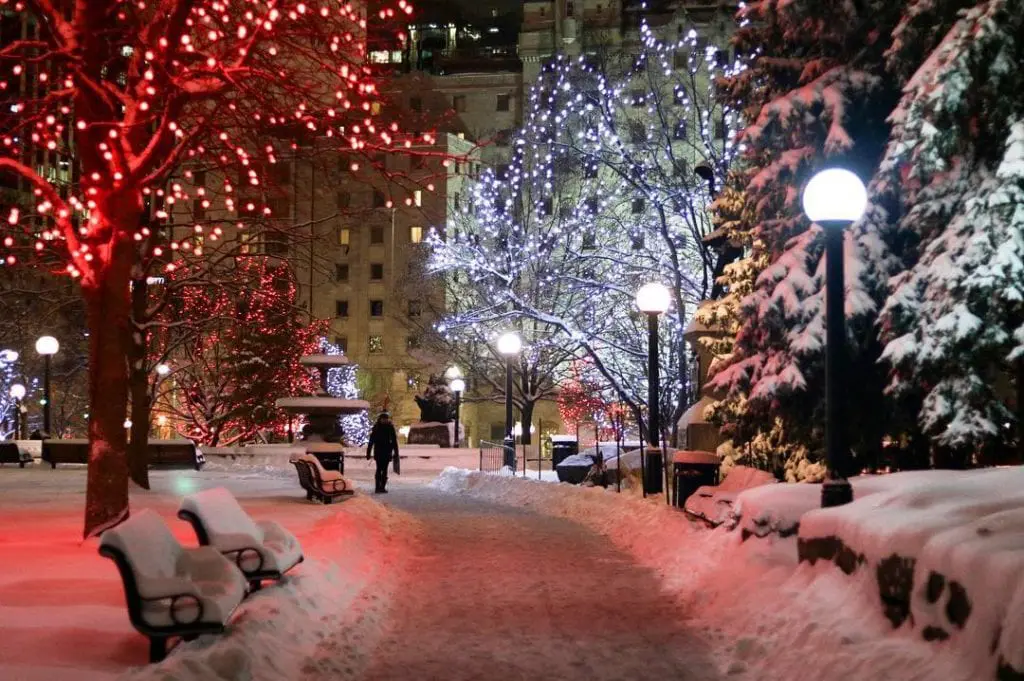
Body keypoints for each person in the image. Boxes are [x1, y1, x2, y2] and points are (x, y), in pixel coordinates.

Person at [366, 412, 399, 493]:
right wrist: (368, 452)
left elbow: (394, 441)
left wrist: (396, 452)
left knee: (384, 469)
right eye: (383, 419)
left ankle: (381, 487)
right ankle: (378, 487)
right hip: (380, 451)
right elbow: (371, 441)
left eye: (386, 419)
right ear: (380, 419)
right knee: (380, 469)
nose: (385, 420)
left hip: (386, 451)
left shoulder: (387, 427)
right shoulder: (377, 428)